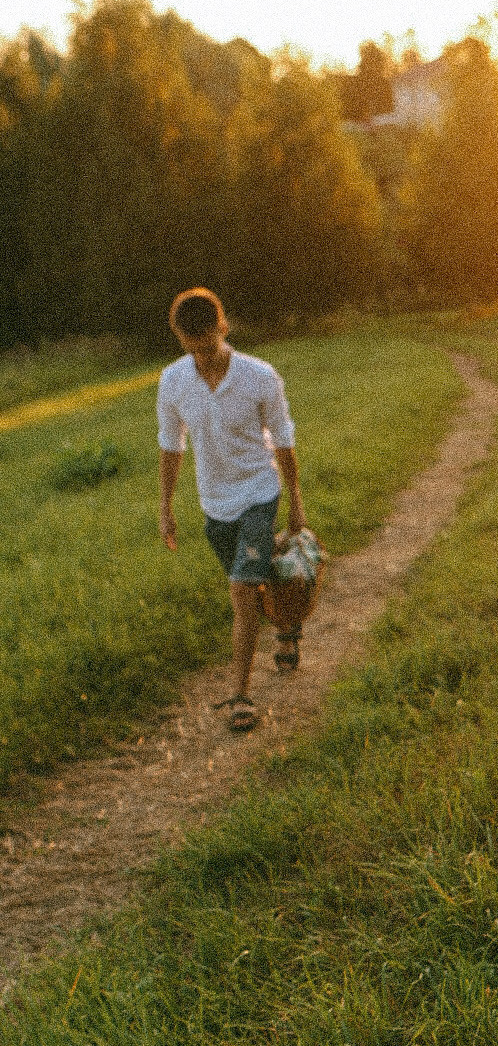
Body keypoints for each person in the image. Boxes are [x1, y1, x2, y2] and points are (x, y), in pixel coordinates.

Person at [157, 289, 307, 733]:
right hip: (214, 505)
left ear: (223, 328)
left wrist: (295, 497)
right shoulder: (173, 381)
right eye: (192, 346)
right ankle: (286, 623)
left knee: (242, 590)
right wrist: (165, 508)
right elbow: (171, 447)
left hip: (259, 493)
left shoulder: (260, 376)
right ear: (180, 339)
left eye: (209, 343)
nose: (202, 354)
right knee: (251, 583)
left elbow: (283, 439)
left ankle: (240, 695)